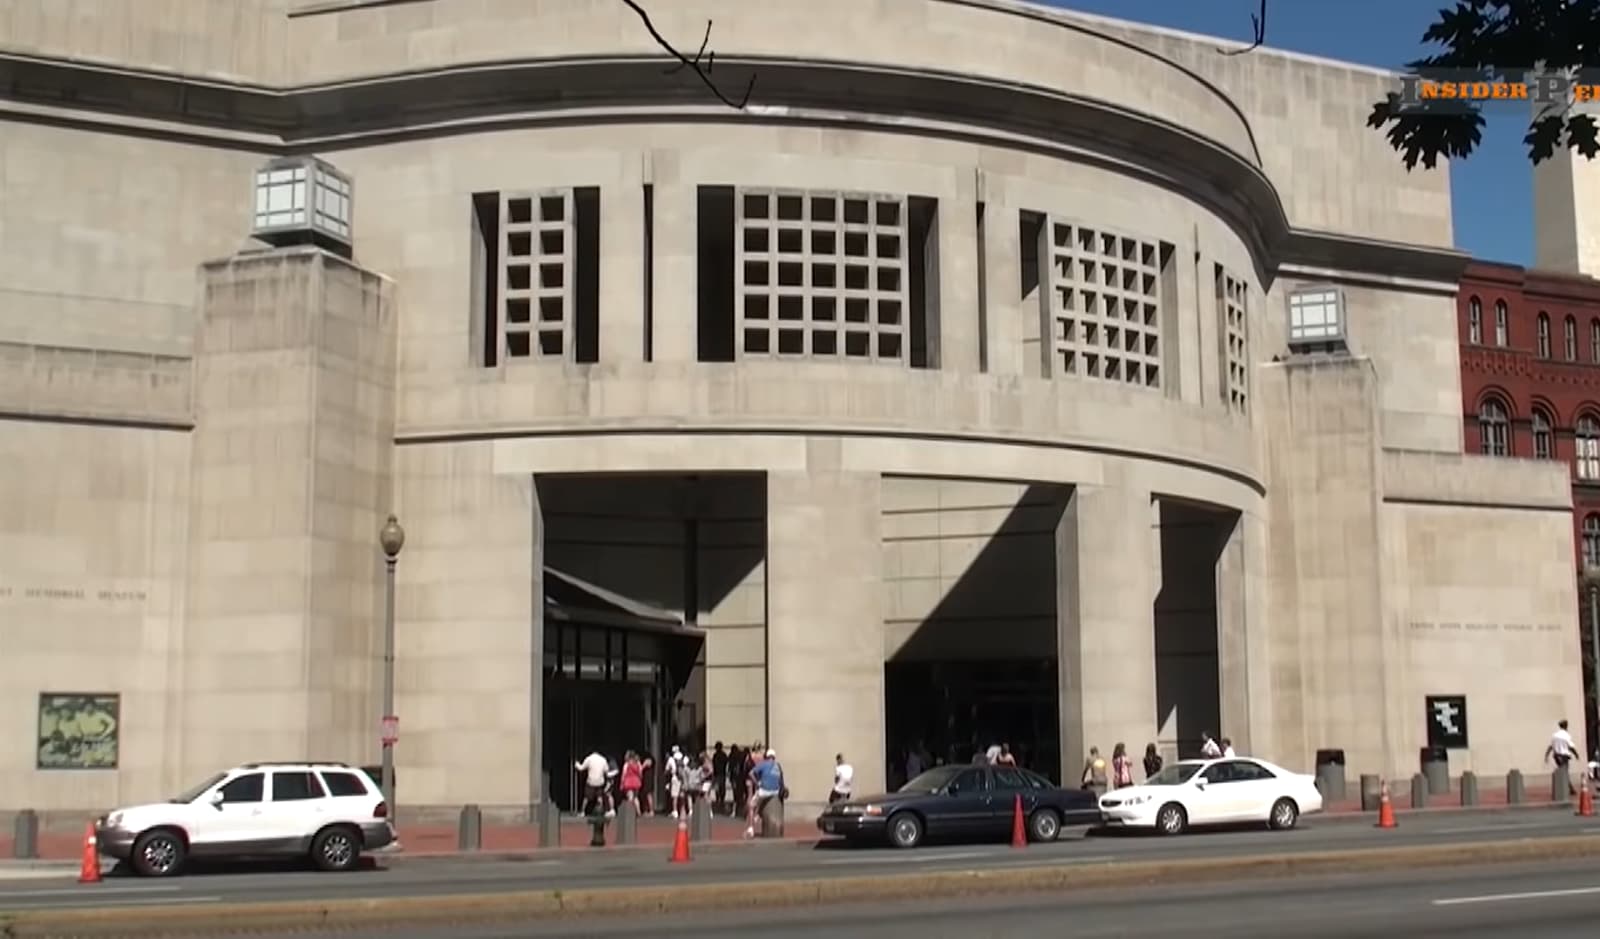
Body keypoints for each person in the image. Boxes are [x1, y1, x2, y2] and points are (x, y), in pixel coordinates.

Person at [747, 748, 785, 838]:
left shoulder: (763, 764)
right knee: (763, 801)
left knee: (751, 806)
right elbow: (781, 780)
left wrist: (757, 783)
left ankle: (751, 828)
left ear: (766, 757)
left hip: (764, 790)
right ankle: (758, 815)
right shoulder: (778, 766)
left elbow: (751, 773)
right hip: (775, 792)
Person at [574, 749, 612, 817]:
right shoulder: (603, 759)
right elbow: (606, 770)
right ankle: (602, 811)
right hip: (600, 781)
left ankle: (582, 812)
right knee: (599, 797)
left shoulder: (589, 759)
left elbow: (581, 768)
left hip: (591, 781)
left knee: (586, 797)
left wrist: (576, 764)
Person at [1546, 719, 1579, 796]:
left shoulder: (1555, 735)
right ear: (1566, 726)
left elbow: (1551, 746)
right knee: (1565, 772)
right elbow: (1570, 746)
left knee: (1563, 772)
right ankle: (1570, 789)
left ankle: (1566, 788)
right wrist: (1576, 754)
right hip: (1564, 756)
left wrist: (1546, 755)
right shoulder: (1566, 735)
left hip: (1557, 756)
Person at [711, 742, 729, 814]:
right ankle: (721, 800)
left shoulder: (716, 755)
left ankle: (719, 800)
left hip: (718, 774)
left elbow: (714, 764)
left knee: (718, 788)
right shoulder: (723, 755)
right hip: (721, 773)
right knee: (721, 788)